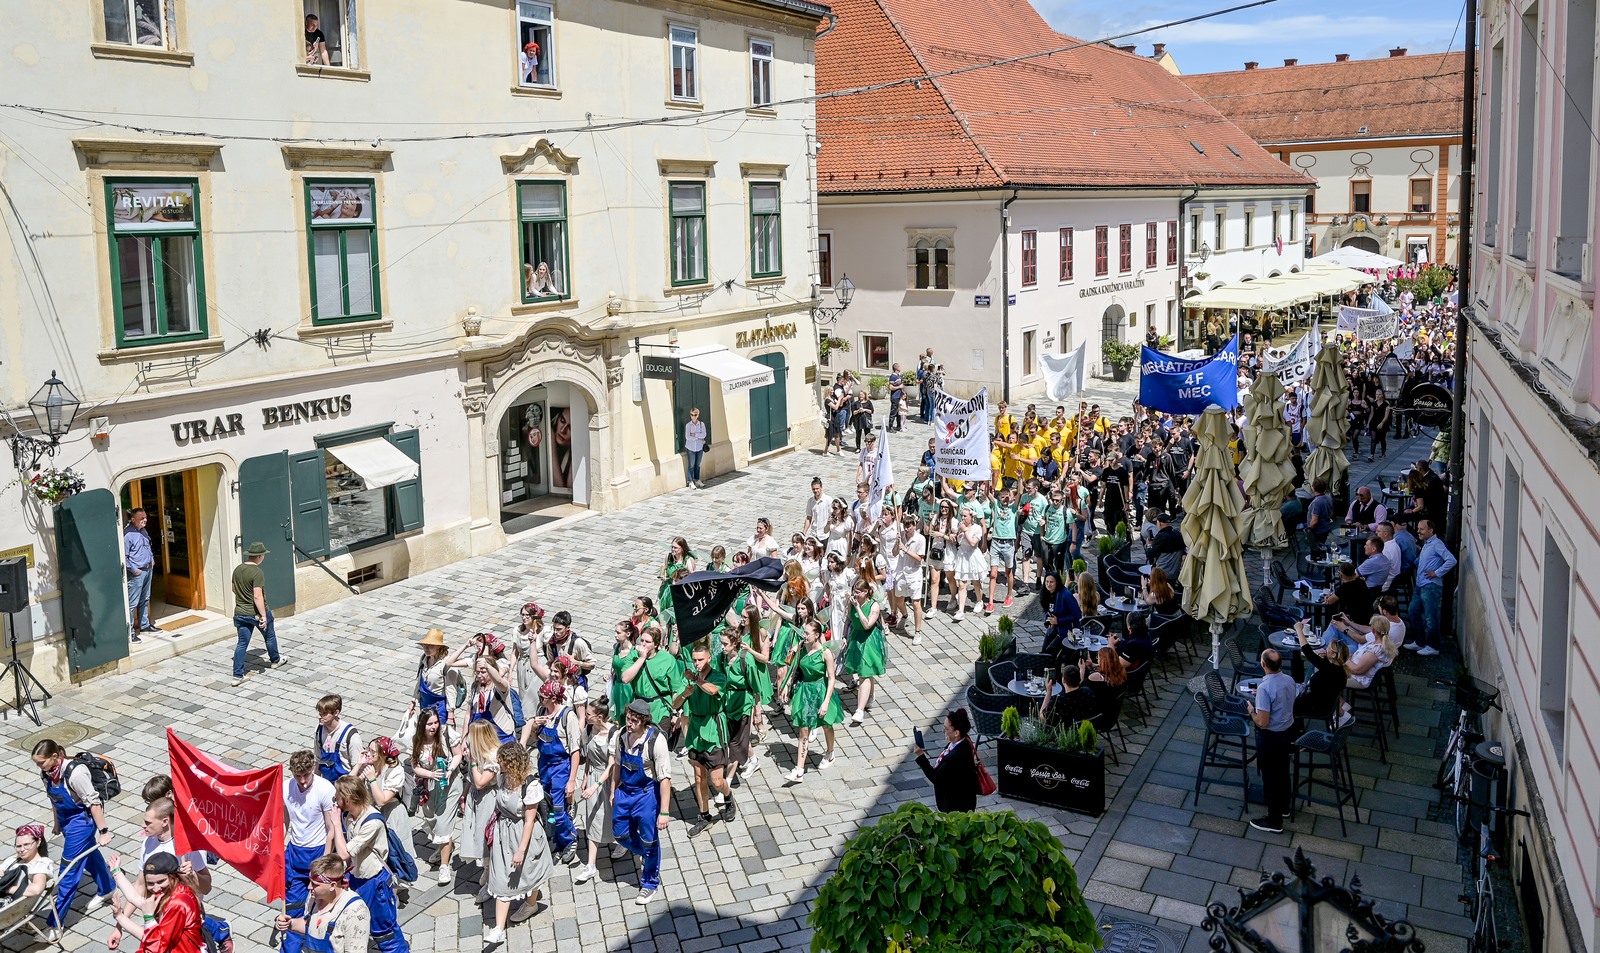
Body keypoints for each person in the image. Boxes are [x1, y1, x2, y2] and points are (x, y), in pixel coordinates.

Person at [30, 740, 114, 930]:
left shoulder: (76, 773)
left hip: (82, 822)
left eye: (41, 762)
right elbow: (53, 798)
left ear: (54, 756)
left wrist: (103, 832)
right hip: (66, 820)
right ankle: (107, 887)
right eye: (36, 763)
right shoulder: (47, 773)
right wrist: (57, 823)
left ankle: (55, 924)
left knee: (68, 872)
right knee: (88, 855)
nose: (39, 766)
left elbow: (94, 803)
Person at [483, 742, 551, 945]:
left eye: (502, 761)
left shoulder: (530, 786)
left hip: (523, 835)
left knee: (530, 872)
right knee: (501, 879)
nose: (499, 764)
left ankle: (531, 904)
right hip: (503, 834)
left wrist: (521, 850)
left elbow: (529, 821)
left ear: (512, 763)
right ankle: (499, 929)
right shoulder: (502, 776)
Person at [330, 777, 408, 953]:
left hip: (375, 883)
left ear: (348, 800)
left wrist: (335, 824)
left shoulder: (372, 822)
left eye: (337, 797)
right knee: (353, 922)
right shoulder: (349, 816)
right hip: (356, 878)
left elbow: (344, 854)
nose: (335, 800)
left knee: (384, 932)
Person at [282, 751, 338, 953]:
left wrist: (324, 862)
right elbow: (285, 819)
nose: (303, 781)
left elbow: (331, 829)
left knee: (322, 906)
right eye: (298, 776)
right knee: (292, 907)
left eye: (306, 775)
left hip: (318, 851)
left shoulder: (325, 789)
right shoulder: (286, 787)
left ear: (313, 767)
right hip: (295, 852)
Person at [674, 643, 733, 824]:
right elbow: (675, 704)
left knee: (717, 781)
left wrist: (696, 680)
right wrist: (685, 693)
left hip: (713, 729)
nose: (697, 663)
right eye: (694, 660)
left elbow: (713, 690)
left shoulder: (718, 676)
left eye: (700, 660)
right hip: (695, 730)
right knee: (699, 777)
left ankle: (728, 796)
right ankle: (704, 815)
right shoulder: (688, 678)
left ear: (709, 658)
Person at [780, 620, 843, 782]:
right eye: (804, 632)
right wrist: (787, 684)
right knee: (804, 730)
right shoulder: (802, 647)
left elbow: (832, 678)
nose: (804, 635)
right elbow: (794, 667)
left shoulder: (825, 653)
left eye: (807, 633)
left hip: (821, 690)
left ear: (816, 635)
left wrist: (826, 702)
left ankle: (830, 753)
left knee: (826, 725)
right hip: (805, 692)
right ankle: (799, 770)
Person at [528, 680, 581, 865]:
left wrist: (572, 781)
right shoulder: (541, 711)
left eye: (543, 697)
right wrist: (534, 727)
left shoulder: (568, 717)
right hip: (544, 766)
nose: (540, 699)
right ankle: (559, 843)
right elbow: (535, 739)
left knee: (558, 810)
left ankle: (570, 839)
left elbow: (575, 751)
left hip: (560, 768)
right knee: (548, 809)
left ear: (553, 698)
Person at [406, 706, 460, 887]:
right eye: (430, 724)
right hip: (428, 787)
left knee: (444, 824)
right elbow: (414, 765)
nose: (434, 727)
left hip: (449, 785)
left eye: (436, 722)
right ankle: (444, 847)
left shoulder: (447, 734)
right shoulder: (417, 740)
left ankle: (444, 866)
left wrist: (449, 770)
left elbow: (458, 754)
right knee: (432, 821)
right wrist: (430, 774)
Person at [573, 695, 624, 885]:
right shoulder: (589, 729)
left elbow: (612, 765)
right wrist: (586, 777)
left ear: (600, 717)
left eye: (589, 714)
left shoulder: (613, 734)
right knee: (592, 817)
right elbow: (588, 755)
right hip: (594, 776)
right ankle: (591, 864)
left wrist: (596, 785)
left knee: (615, 815)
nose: (586, 717)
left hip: (610, 780)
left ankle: (623, 841)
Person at [274, 854, 370, 953]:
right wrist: (289, 924)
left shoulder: (355, 912)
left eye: (315, 884)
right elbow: (310, 926)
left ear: (332, 885)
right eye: (310, 882)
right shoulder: (314, 896)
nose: (309, 887)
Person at [1246, 649, 1297, 833]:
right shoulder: (1289, 680)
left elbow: (1262, 722)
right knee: (1283, 772)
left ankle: (1274, 821)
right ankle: (1284, 808)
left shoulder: (1264, 688)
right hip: (1287, 732)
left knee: (1270, 778)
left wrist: (1252, 710)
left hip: (1271, 737)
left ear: (1263, 664)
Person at [117, 852, 202, 953]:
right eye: (150, 883)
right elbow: (134, 897)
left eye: (161, 881)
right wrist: (116, 872)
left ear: (173, 877)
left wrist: (148, 918)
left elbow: (157, 947)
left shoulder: (178, 903)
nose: (156, 888)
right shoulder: (168, 892)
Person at [231, 542, 284, 686]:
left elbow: (234, 589)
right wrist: (264, 616)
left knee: (242, 643)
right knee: (269, 636)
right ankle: (275, 660)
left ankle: (237, 676)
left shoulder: (237, 569)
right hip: (255, 613)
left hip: (240, 613)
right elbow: (257, 596)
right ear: (260, 556)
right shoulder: (257, 572)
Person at [913, 709, 979, 812]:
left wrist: (921, 757)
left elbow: (936, 778)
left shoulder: (955, 756)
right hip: (962, 802)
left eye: (946, 728)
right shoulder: (962, 742)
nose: (944, 731)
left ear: (956, 733)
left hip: (957, 808)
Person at [1407, 519, 1455, 656]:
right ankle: (1420, 642)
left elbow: (1451, 560)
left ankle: (1433, 646)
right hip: (1421, 584)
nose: (1418, 531)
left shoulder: (1437, 544)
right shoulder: (1427, 543)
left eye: (1421, 529)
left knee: (1430, 617)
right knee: (1413, 611)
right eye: (1418, 528)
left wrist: (1437, 573)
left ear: (1431, 530)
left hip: (1431, 586)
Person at [1290, 621, 1350, 721]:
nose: (1326, 650)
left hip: (1316, 707)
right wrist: (1325, 657)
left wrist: (1299, 630)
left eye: (1328, 649)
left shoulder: (1328, 669)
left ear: (1334, 655)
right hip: (1326, 706)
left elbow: (1308, 652)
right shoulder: (1340, 670)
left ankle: (1291, 727)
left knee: (1284, 702)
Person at [124, 508, 158, 644]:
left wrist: (152, 560)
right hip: (137, 573)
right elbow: (124, 556)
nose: (145, 520)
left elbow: (147, 546)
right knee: (132, 602)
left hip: (148, 568)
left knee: (145, 598)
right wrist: (134, 570)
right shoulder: (128, 534)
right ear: (133, 520)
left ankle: (145, 625)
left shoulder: (143, 531)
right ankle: (131, 632)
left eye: (145, 517)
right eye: (141, 518)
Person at [314, 695, 362, 785]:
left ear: (336, 713)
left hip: (346, 785)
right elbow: (317, 760)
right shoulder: (319, 730)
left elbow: (358, 767)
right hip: (327, 784)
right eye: (319, 713)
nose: (319, 717)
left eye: (324, 714)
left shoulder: (351, 735)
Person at [0, 824, 50, 905]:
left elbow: (36, 889)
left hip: (11, 903)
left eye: (26, 844)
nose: (22, 849)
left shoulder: (40, 865)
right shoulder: (13, 860)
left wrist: (6, 888)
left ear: (38, 842)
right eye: (18, 846)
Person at [1041, 661, 1099, 726]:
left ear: (1063, 680)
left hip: (1066, 731)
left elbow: (1043, 717)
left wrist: (1049, 691)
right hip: (1086, 728)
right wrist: (1082, 669)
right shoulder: (1088, 692)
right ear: (1079, 679)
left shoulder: (1058, 701)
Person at [1038, 572, 1082, 657]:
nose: (1048, 584)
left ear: (1057, 582)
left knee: (1049, 654)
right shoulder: (1046, 593)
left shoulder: (1066, 595)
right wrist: (1048, 620)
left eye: (1051, 582)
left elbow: (1077, 614)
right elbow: (1047, 611)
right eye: (1047, 581)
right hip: (1054, 629)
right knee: (1044, 653)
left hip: (1066, 631)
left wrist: (1058, 621)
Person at [683, 407, 708, 489]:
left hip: (699, 447)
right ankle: (690, 481)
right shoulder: (688, 425)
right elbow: (688, 437)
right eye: (692, 415)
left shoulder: (701, 424)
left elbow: (704, 435)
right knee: (691, 465)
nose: (693, 416)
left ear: (698, 415)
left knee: (697, 464)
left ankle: (697, 479)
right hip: (690, 448)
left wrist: (694, 435)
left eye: (695, 415)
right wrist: (698, 437)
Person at [1305, 479, 1333, 547]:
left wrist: (1309, 530)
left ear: (1314, 489)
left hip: (1317, 532)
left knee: (1316, 550)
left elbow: (1314, 521)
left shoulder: (1316, 502)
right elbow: (1331, 513)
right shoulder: (1328, 498)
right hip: (1325, 528)